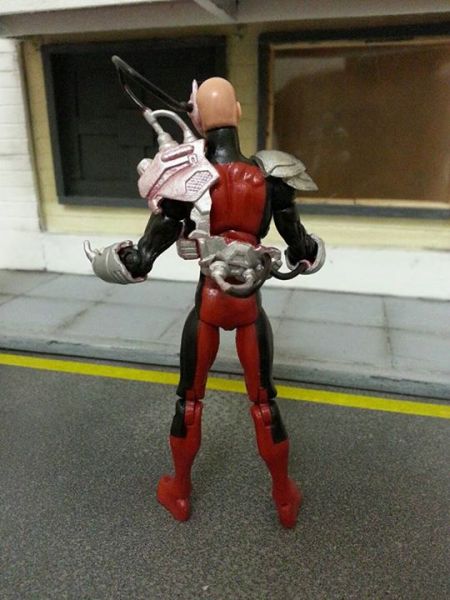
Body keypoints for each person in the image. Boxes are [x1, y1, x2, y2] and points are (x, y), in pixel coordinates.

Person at [85, 76, 325, 528]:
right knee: (263, 403)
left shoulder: (186, 178)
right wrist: (309, 253)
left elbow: (145, 253)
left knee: (190, 400)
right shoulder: (271, 175)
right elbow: (300, 244)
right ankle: (283, 496)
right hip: (250, 307)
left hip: (210, 306)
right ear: (237, 113)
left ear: (196, 119)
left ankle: (179, 490)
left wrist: (120, 260)